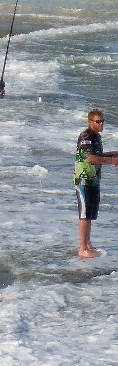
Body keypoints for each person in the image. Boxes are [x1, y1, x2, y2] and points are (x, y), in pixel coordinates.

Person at [74, 109, 118, 258]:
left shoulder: (96, 137)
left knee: (90, 214)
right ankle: (82, 248)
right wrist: (111, 160)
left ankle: (88, 244)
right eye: (98, 122)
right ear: (90, 122)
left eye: (102, 121)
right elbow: (90, 158)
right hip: (84, 179)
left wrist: (112, 154)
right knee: (84, 214)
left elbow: (97, 155)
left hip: (94, 179)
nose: (101, 124)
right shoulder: (86, 136)